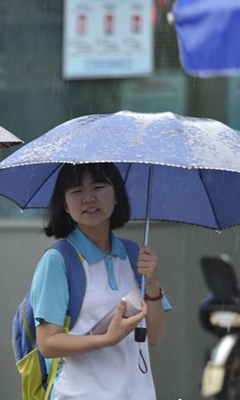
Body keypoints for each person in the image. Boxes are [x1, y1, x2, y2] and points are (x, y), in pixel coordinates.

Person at [30, 163, 169, 399]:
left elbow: (154, 336)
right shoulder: (58, 260)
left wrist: (152, 282)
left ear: (116, 196)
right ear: (64, 204)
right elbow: (48, 344)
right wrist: (106, 339)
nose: (89, 198)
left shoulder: (133, 253)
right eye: (76, 191)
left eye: (98, 187)